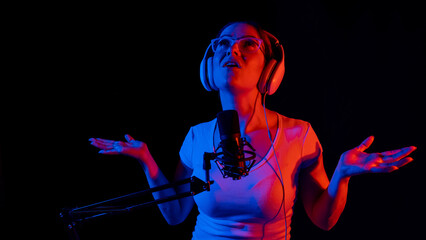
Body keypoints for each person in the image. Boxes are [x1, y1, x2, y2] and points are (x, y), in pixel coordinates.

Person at [89, 22, 416, 239]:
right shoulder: (197, 136)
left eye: (249, 44)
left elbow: (323, 219)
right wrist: (146, 159)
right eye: (223, 44)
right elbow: (175, 214)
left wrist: (342, 174)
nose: (232, 50)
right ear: (209, 67)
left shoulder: (297, 135)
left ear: (270, 70)